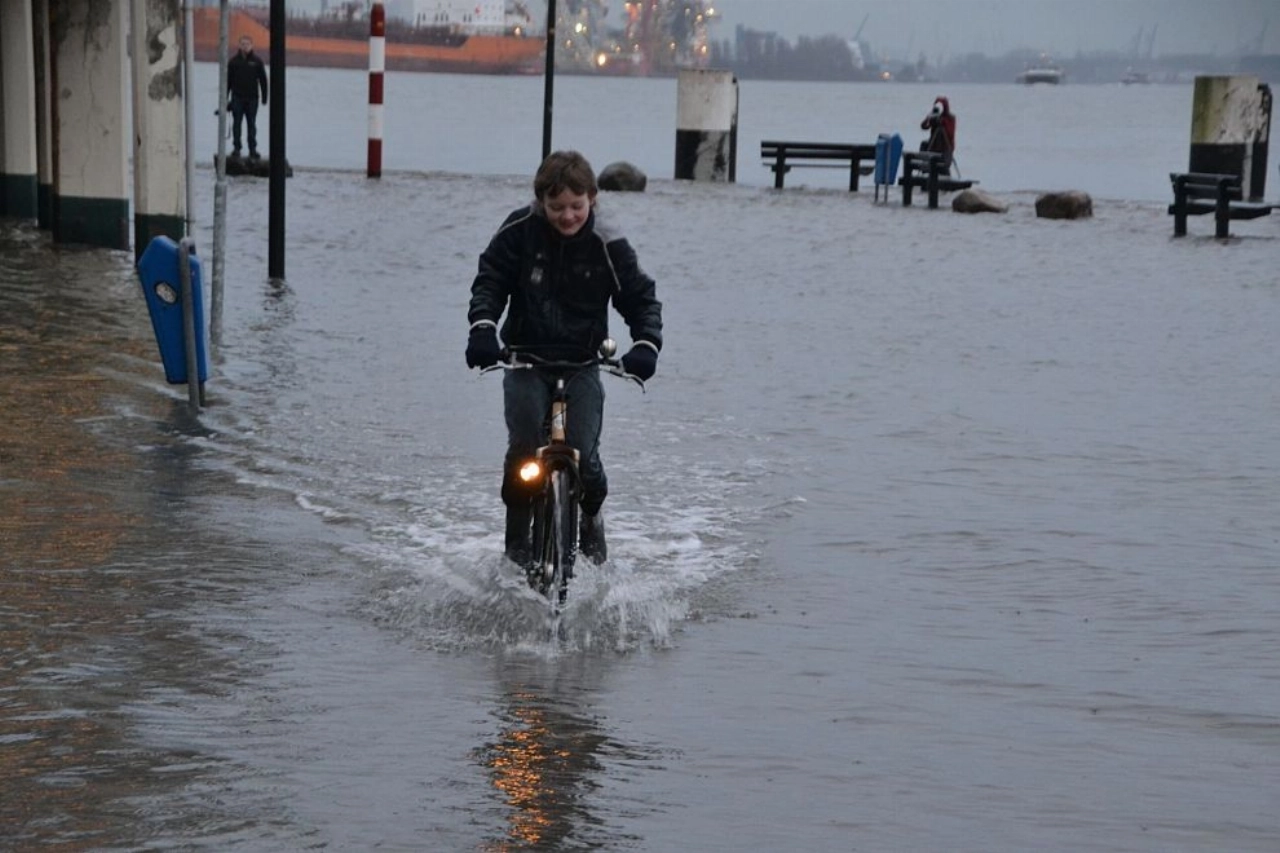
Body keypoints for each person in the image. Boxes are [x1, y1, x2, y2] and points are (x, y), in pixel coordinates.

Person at [465, 150, 663, 567]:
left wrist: (646, 344)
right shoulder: (519, 230)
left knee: (585, 456)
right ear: (541, 202)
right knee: (523, 451)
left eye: (577, 206)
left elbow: (640, 298)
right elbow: (490, 281)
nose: (568, 216)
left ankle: (591, 517)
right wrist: (483, 327)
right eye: (556, 207)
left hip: (583, 362)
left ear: (593, 198)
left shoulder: (608, 241)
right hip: (524, 358)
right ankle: (517, 535)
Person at [227, 35, 268, 160]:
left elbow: (263, 81)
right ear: (239, 45)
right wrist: (225, 99)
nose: (245, 46)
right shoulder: (233, 62)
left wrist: (264, 98)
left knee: (251, 124)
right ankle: (237, 149)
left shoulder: (257, 62)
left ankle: (252, 149)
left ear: (252, 45)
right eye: (243, 44)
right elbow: (228, 81)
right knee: (236, 124)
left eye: (247, 44)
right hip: (237, 98)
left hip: (252, 99)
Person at [920, 95, 956, 174]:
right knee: (924, 144)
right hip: (934, 145)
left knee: (942, 167)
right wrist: (928, 118)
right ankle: (924, 167)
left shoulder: (950, 118)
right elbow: (923, 126)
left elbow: (949, 134)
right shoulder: (934, 117)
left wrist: (942, 122)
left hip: (945, 147)